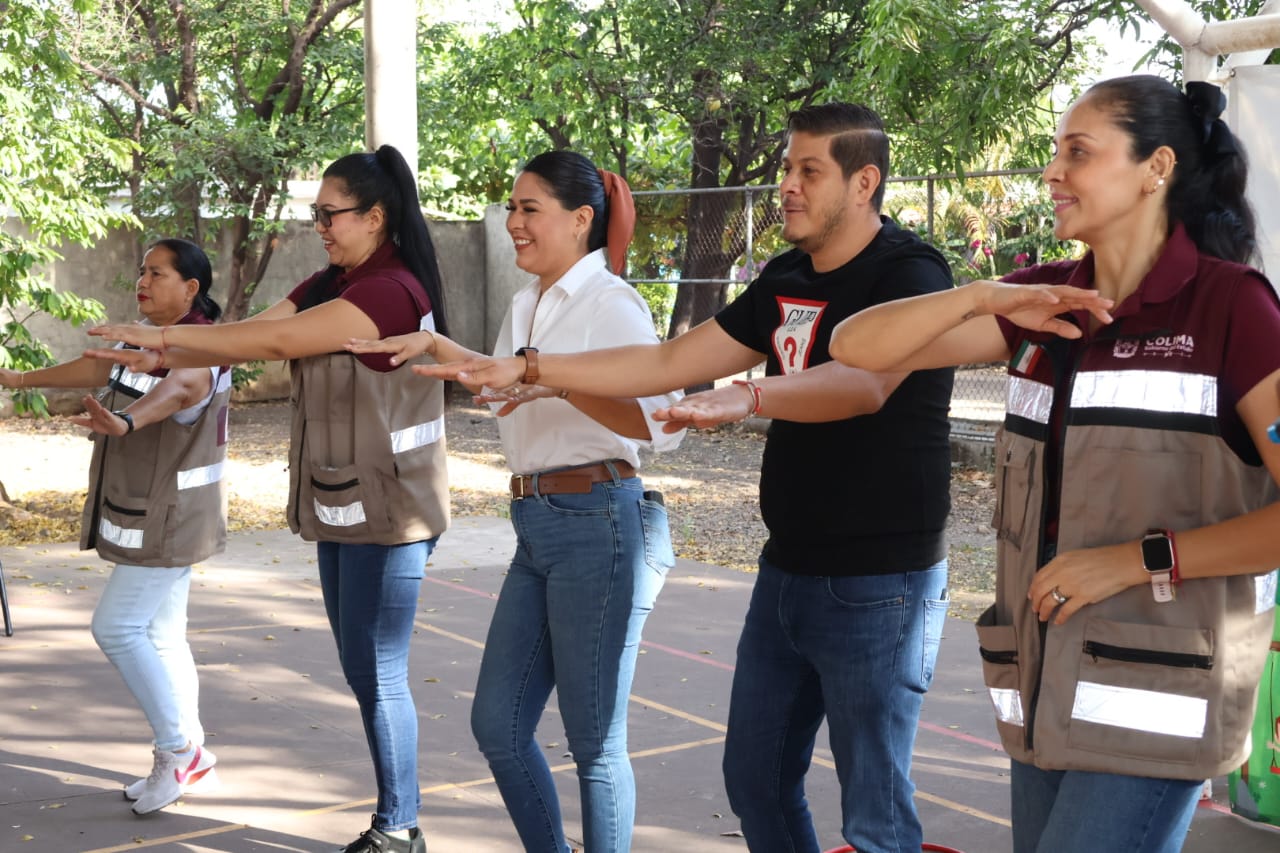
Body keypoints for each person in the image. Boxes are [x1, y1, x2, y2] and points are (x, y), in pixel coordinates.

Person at [408, 105, 956, 853]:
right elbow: (670, 363)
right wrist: (531, 368)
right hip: (788, 566)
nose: (787, 186)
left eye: (809, 171)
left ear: (864, 182)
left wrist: (749, 395)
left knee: (875, 812)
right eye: (787, 168)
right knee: (756, 782)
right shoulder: (786, 276)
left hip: (881, 580)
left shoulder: (910, 273)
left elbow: (865, 384)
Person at [828, 75, 1280, 853]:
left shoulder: (1232, 307)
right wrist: (982, 296)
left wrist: (1137, 560)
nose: (1052, 171)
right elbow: (854, 346)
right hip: (1044, 688)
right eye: (1054, 151)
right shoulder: (1042, 301)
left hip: (1157, 700)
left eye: (1078, 152)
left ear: (1156, 167)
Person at [86, 145, 449, 853]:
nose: (321, 226)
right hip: (347, 503)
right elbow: (252, 331)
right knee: (363, 671)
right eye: (317, 214)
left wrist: (164, 337)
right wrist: (168, 352)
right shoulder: (336, 280)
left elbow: (277, 339)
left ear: (375, 216)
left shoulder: (387, 291)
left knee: (378, 674)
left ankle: (400, 826)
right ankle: (393, 818)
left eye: (331, 214)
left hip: (395, 512)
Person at [348, 149, 684, 853]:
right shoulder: (526, 302)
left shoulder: (610, 302)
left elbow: (659, 423)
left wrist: (556, 382)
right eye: (512, 208)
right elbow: (503, 383)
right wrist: (436, 344)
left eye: (530, 208)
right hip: (536, 520)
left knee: (595, 742)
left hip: (599, 518)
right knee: (498, 724)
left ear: (581, 219)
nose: (513, 223)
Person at [0, 238, 229, 815]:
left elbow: (181, 389)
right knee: (163, 635)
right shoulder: (146, 337)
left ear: (191, 288)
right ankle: (192, 749)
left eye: (157, 273)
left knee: (117, 628)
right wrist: (18, 380)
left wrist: (125, 422)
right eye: (141, 271)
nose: (142, 281)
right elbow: (95, 366)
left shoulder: (199, 350)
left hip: (172, 518)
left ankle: (177, 750)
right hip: (155, 512)